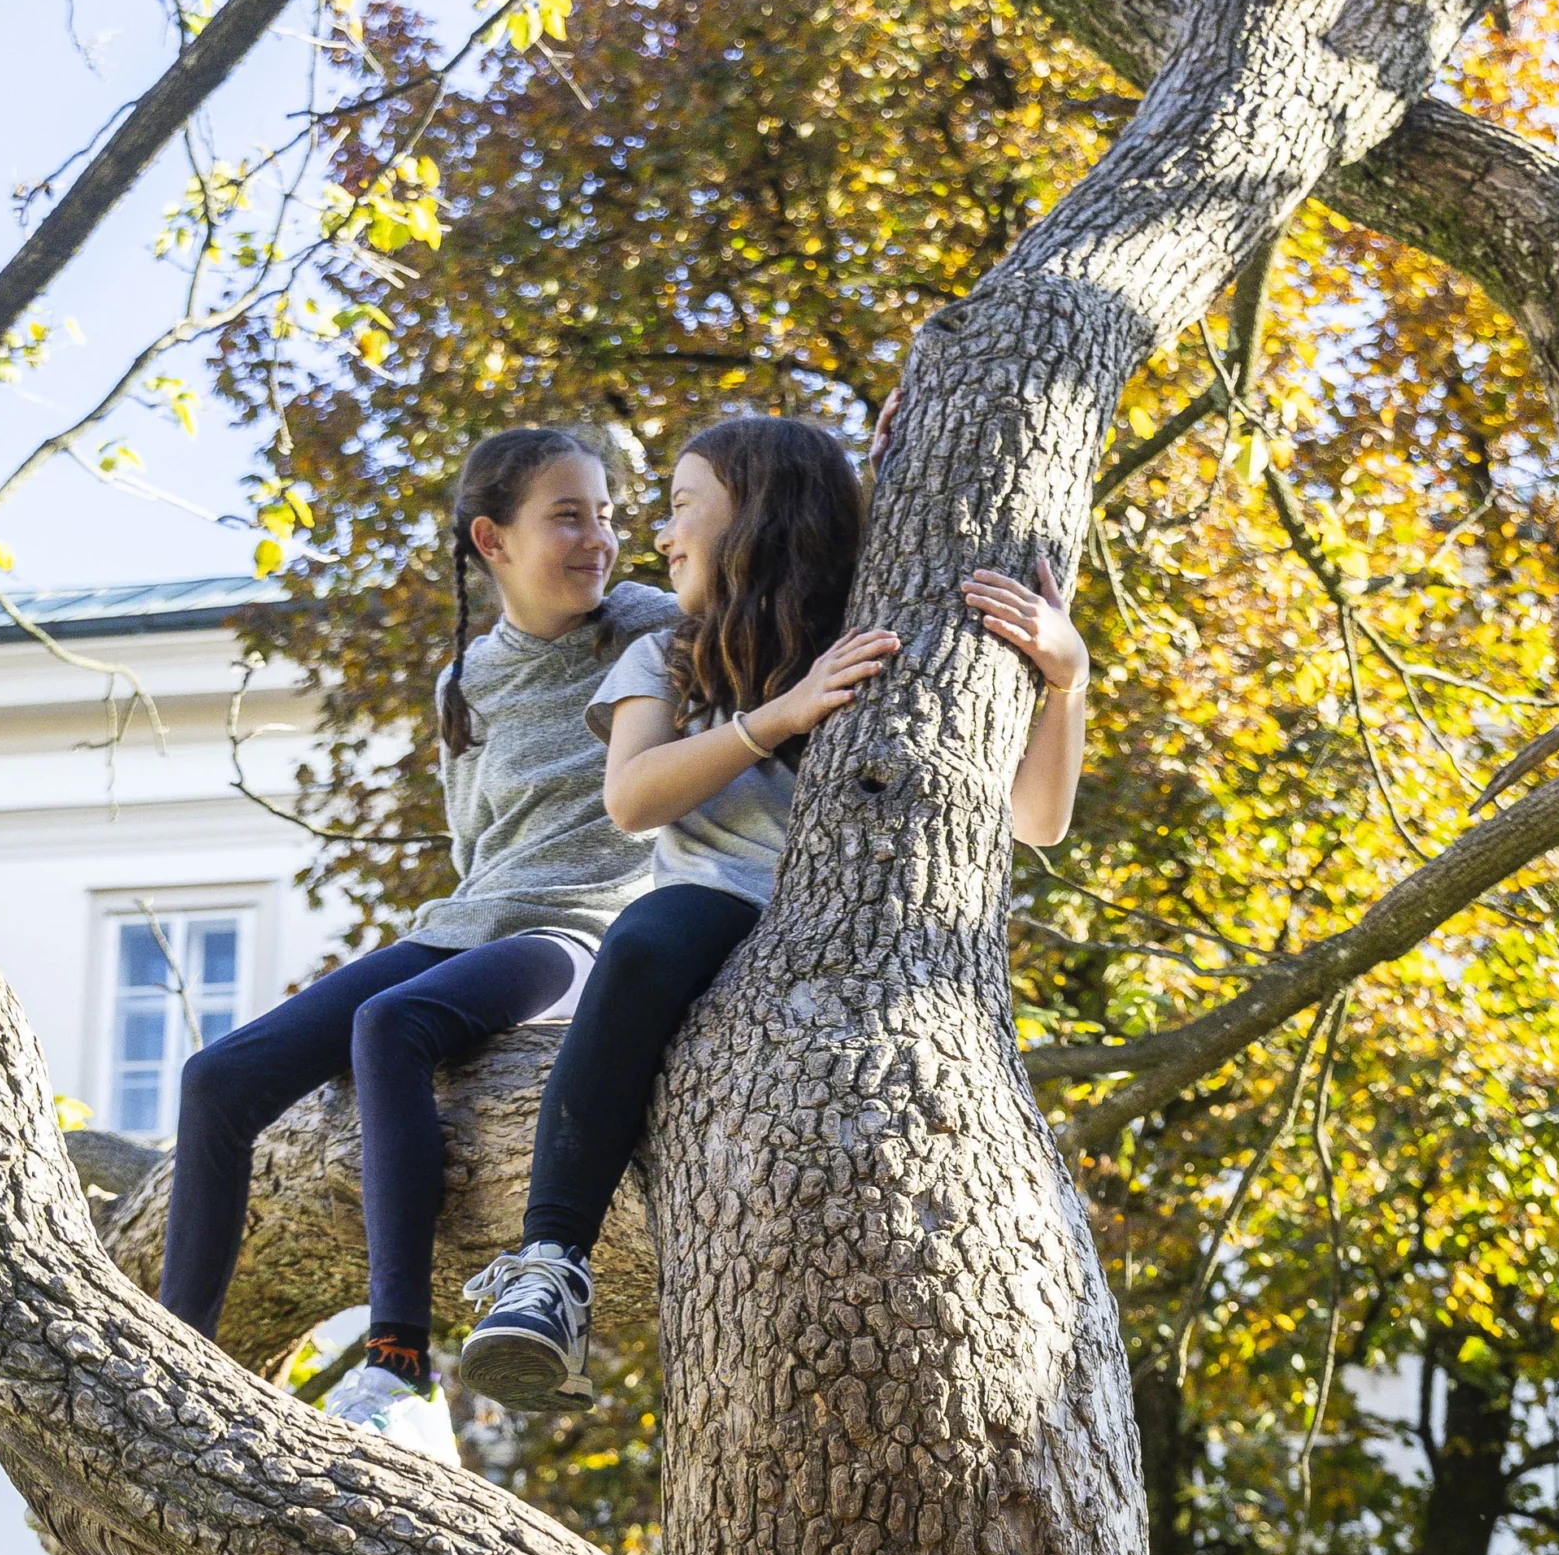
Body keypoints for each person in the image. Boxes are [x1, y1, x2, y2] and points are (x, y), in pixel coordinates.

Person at [457, 408, 1092, 1410]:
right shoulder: (665, 653)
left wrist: (1066, 679)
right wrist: (775, 719)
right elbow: (632, 797)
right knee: (642, 937)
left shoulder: (876, 633)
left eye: (679, 509)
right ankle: (549, 1266)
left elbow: (1037, 819)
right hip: (710, 915)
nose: (659, 536)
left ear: (757, 518)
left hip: (873, 935)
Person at [155, 426, 677, 1430]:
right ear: (493, 540)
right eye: (568, 516)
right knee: (214, 1081)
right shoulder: (462, 684)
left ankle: (398, 1361)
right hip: (470, 922)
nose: (599, 540)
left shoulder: (650, 625)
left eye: (605, 517)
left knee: (394, 1024)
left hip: (579, 931)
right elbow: (479, 844)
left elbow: (780, 596)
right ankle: (175, 1371)